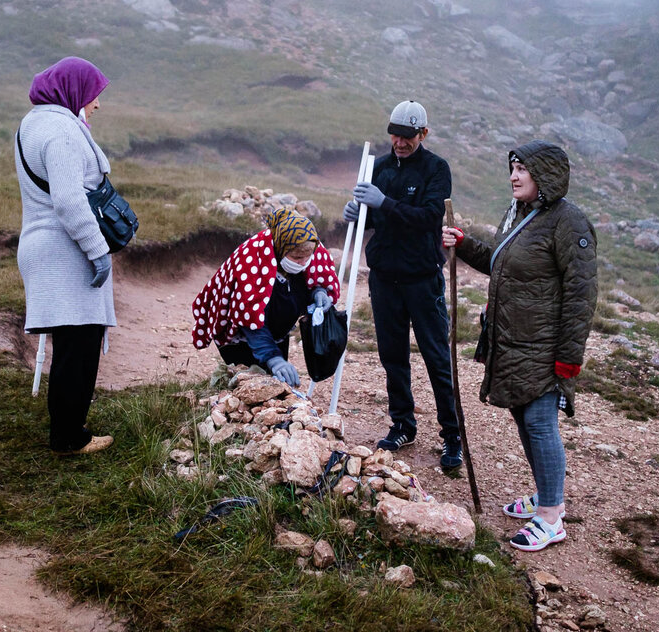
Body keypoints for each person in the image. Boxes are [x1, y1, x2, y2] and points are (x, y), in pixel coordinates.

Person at [442, 140, 597, 551]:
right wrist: (464, 243)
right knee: (524, 419)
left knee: (541, 423)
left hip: (544, 347)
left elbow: (582, 295)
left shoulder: (569, 223)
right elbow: (500, 261)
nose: (513, 176)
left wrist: (568, 358)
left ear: (543, 176)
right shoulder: (520, 215)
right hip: (511, 342)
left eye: (522, 170)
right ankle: (546, 494)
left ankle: (551, 515)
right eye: (512, 168)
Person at [343, 100, 463, 469]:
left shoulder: (436, 169)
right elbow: (378, 221)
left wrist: (385, 202)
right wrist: (359, 214)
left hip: (422, 278)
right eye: (395, 134)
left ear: (423, 134)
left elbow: (429, 217)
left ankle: (452, 436)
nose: (400, 142)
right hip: (384, 278)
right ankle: (402, 424)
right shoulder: (376, 167)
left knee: (436, 357)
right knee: (392, 356)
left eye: (408, 136)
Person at [15, 56, 117, 456]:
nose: (97, 104)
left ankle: (68, 429)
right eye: (94, 94)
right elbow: (70, 201)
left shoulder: (34, 123)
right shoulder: (60, 132)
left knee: (72, 344)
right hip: (64, 252)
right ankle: (70, 439)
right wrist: (99, 251)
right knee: (80, 344)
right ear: (74, 90)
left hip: (46, 248)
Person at [192, 208, 340, 387]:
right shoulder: (252, 261)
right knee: (249, 385)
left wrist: (319, 292)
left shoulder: (310, 249)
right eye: (297, 257)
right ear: (281, 247)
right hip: (241, 333)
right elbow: (249, 318)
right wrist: (273, 358)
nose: (303, 262)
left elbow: (315, 279)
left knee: (276, 383)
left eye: (307, 257)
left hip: (277, 329)